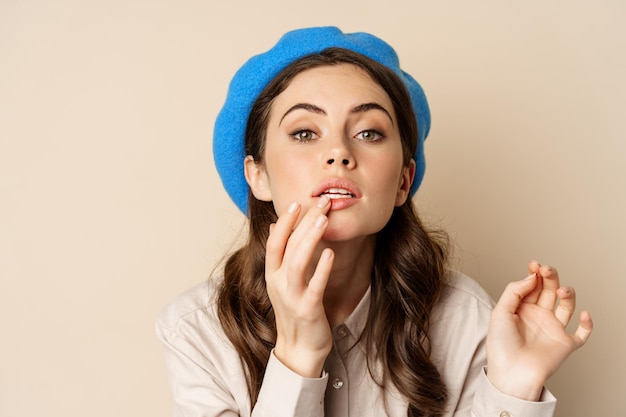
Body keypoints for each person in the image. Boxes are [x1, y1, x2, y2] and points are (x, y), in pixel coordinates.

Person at [156, 26, 593, 417]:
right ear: (258, 175)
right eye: (305, 133)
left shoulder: (464, 316)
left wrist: (513, 390)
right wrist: (297, 354)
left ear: (404, 180)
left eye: (369, 132)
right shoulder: (196, 330)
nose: (339, 153)